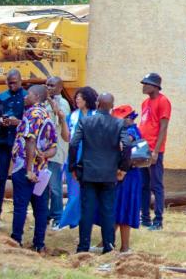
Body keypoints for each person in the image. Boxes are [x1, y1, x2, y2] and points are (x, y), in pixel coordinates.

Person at [70, 93, 131, 254]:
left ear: (97, 104)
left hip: (88, 172)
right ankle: (108, 247)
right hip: (110, 173)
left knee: (87, 210)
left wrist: (73, 167)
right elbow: (127, 145)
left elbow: (73, 143)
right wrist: (123, 168)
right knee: (108, 211)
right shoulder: (119, 123)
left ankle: (83, 247)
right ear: (112, 105)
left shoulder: (85, 121)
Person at [10, 84, 57, 253]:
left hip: (26, 169)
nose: (24, 97)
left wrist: (30, 169)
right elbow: (54, 147)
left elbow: (30, 140)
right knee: (41, 208)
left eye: (28, 94)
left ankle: (16, 240)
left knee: (20, 206)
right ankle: (39, 243)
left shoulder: (32, 114)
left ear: (36, 97)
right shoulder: (47, 115)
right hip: (42, 171)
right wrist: (43, 157)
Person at [57, 85, 97, 230]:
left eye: (79, 97)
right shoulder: (73, 116)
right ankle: (68, 220)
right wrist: (62, 120)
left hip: (91, 156)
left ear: (87, 99)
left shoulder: (96, 115)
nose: (76, 99)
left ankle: (83, 219)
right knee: (74, 190)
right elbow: (66, 137)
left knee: (87, 192)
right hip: (74, 155)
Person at [138, 72, 170, 230]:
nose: (143, 86)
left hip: (154, 149)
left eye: (146, 83)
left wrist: (156, 151)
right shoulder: (145, 103)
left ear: (155, 86)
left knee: (156, 185)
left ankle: (158, 220)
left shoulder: (163, 101)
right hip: (143, 149)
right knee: (143, 184)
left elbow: (163, 128)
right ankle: (145, 218)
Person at [111, 105, 142, 254]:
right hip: (124, 175)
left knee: (124, 209)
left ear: (128, 119)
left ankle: (124, 246)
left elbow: (124, 146)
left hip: (128, 176)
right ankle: (109, 242)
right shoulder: (127, 130)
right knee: (117, 209)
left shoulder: (130, 132)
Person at [0, 69, 26, 214]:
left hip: (19, 144)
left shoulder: (27, 97)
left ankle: (20, 210)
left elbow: (31, 123)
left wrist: (18, 122)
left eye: (14, 83)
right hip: (3, 142)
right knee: (1, 176)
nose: (11, 86)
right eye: (9, 83)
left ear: (20, 81)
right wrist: (1, 120)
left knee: (19, 178)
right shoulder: (1, 97)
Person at [45, 76, 71, 227]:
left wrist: (51, 103)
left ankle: (58, 217)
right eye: (47, 85)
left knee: (54, 185)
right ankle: (46, 215)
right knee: (44, 185)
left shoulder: (63, 103)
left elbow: (61, 121)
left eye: (52, 85)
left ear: (60, 88)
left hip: (57, 151)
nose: (48, 87)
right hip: (44, 150)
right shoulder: (43, 101)